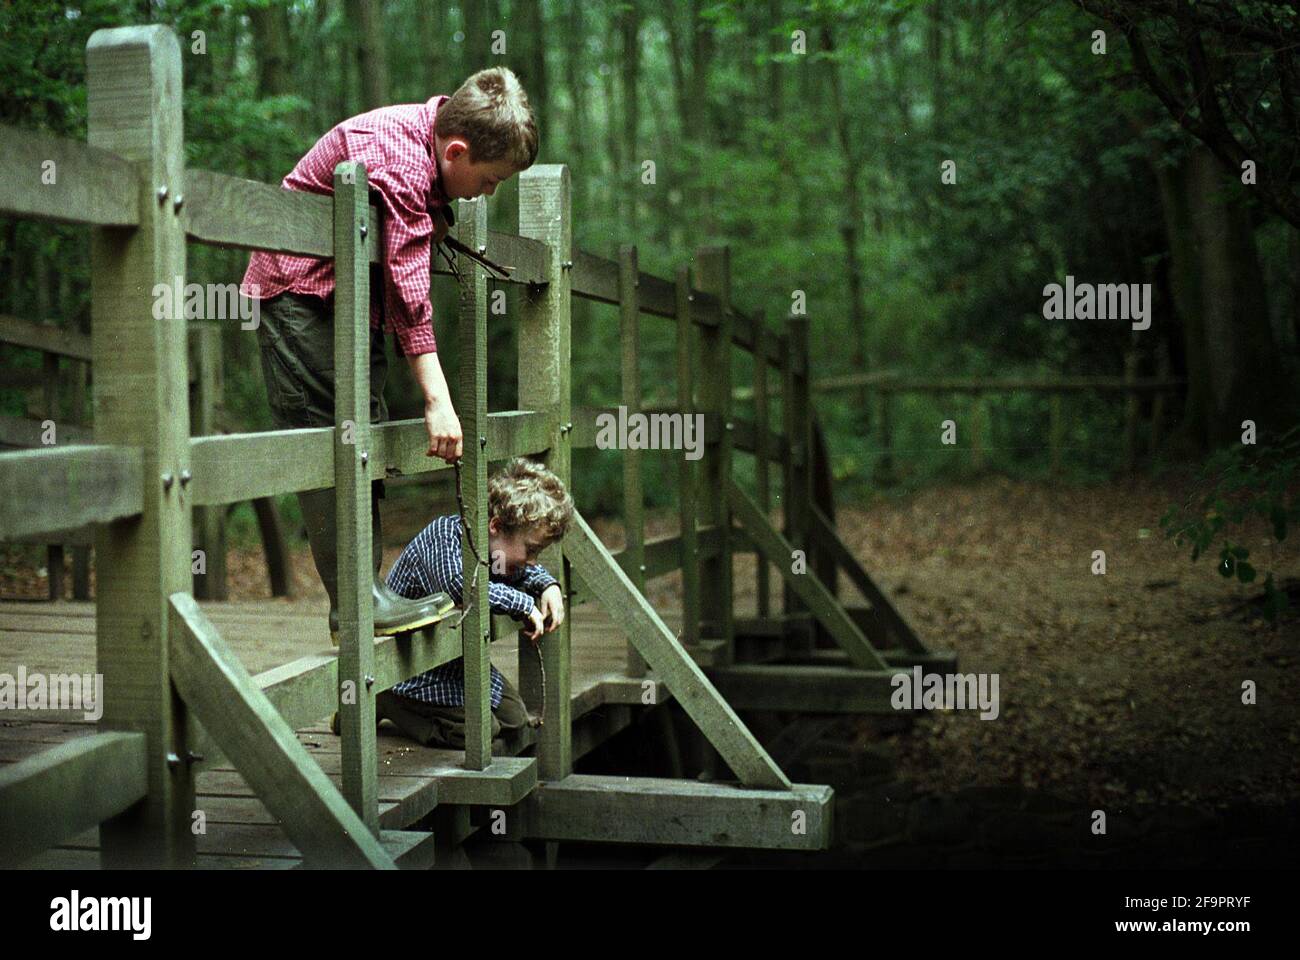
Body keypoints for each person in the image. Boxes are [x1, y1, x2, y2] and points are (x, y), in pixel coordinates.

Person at [240, 66, 539, 641]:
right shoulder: (401, 161)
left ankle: (365, 595)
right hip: (299, 295)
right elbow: (409, 289)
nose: (490, 192)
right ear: (456, 151)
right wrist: (438, 399)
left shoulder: (429, 142)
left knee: (364, 435)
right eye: (491, 178)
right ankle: (354, 605)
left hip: (346, 304)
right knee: (331, 439)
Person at [333, 457, 574, 751]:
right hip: (412, 668)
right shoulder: (445, 538)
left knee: (514, 719)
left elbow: (520, 571)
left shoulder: (495, 548)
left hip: (454, 664)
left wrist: (546, 584)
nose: (533, 561)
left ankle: (403, 705)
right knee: (478, 732)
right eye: (532, 550)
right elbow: (460, 587)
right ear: (496, 526)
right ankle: (386, 700)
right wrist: (523, 603)